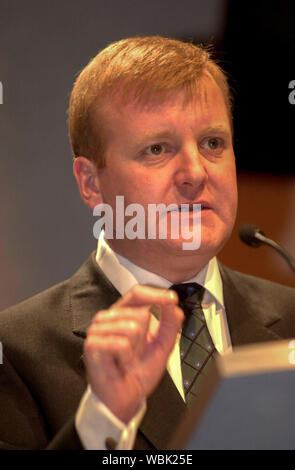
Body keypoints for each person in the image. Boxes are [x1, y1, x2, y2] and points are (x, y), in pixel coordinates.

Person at [1, 36, 295, 450]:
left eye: (213, 143)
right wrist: (104, 420)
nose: (195, 172)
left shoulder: (291, 318)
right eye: (157, 149)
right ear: (91, 183)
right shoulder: (15, 352)